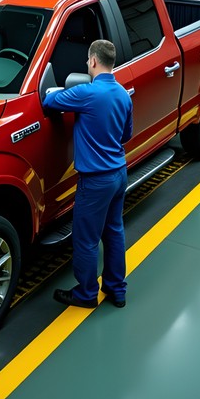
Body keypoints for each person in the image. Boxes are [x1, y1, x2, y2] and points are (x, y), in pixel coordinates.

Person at [44, 39, 134, 309]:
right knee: (114, 232)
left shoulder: (86, 93)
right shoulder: (121, 94)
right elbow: (126, 135)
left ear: (93, 61)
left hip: (95, 181)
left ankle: (85, 295)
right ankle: (116, 290)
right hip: (119, 174)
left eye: (87, 61)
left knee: (86, 240)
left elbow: (50, 101)